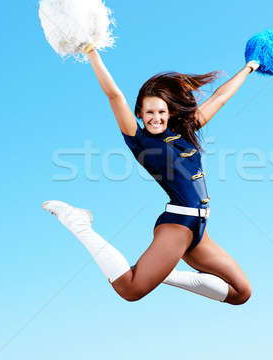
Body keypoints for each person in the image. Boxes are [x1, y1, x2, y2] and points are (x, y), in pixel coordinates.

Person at [43, 42, 260, 305]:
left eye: (161, 112)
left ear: (169, 114)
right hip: (177, 225)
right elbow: (114, 95)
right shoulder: (140, 140)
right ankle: (77, 222)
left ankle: (160, 273)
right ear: (139, 114)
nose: (155, 118)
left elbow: (220, 97)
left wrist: (249, 67)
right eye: (149, 113)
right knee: (130, 289)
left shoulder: (186, 131)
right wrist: (91, 52)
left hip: (199, 229)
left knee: (241, 293)